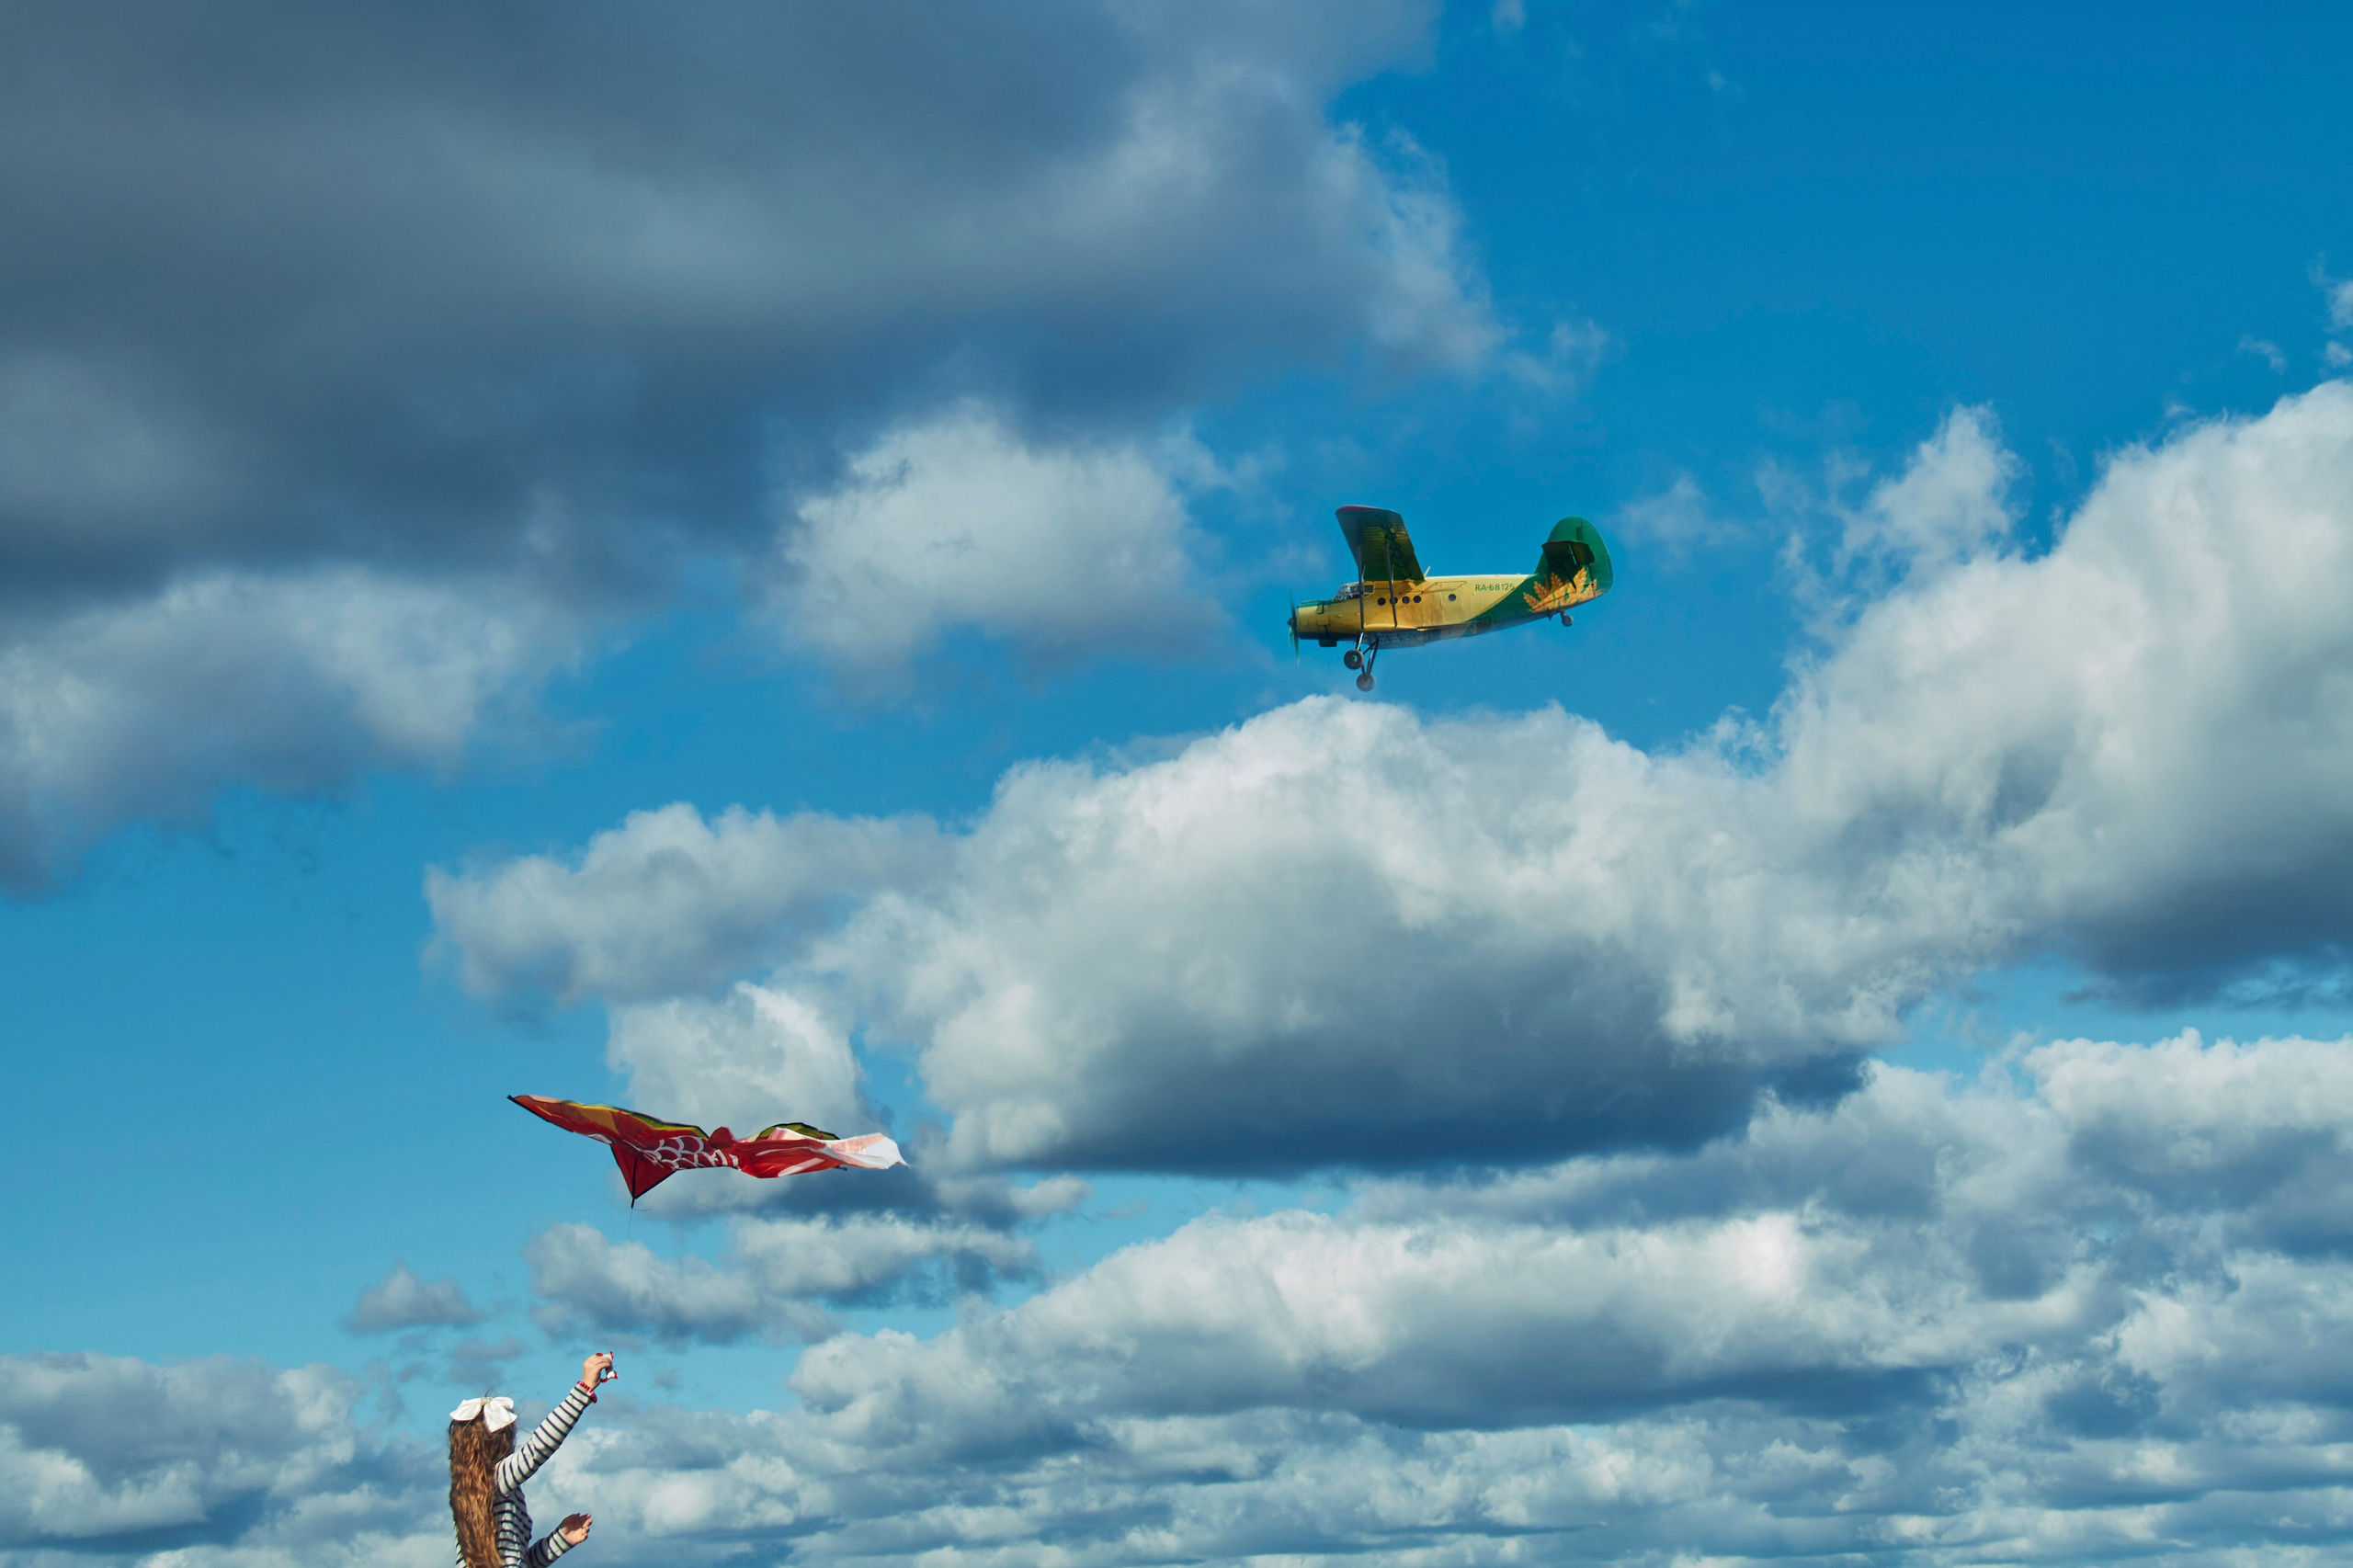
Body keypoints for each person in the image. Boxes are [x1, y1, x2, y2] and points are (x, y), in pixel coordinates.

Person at [449, 1352, 616, 1567]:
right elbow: (540, 1447)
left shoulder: (471, 1490)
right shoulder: (497, 1478)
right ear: (504, 1440)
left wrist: (559, 1541)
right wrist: (583, 1390)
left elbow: (520, 1560)